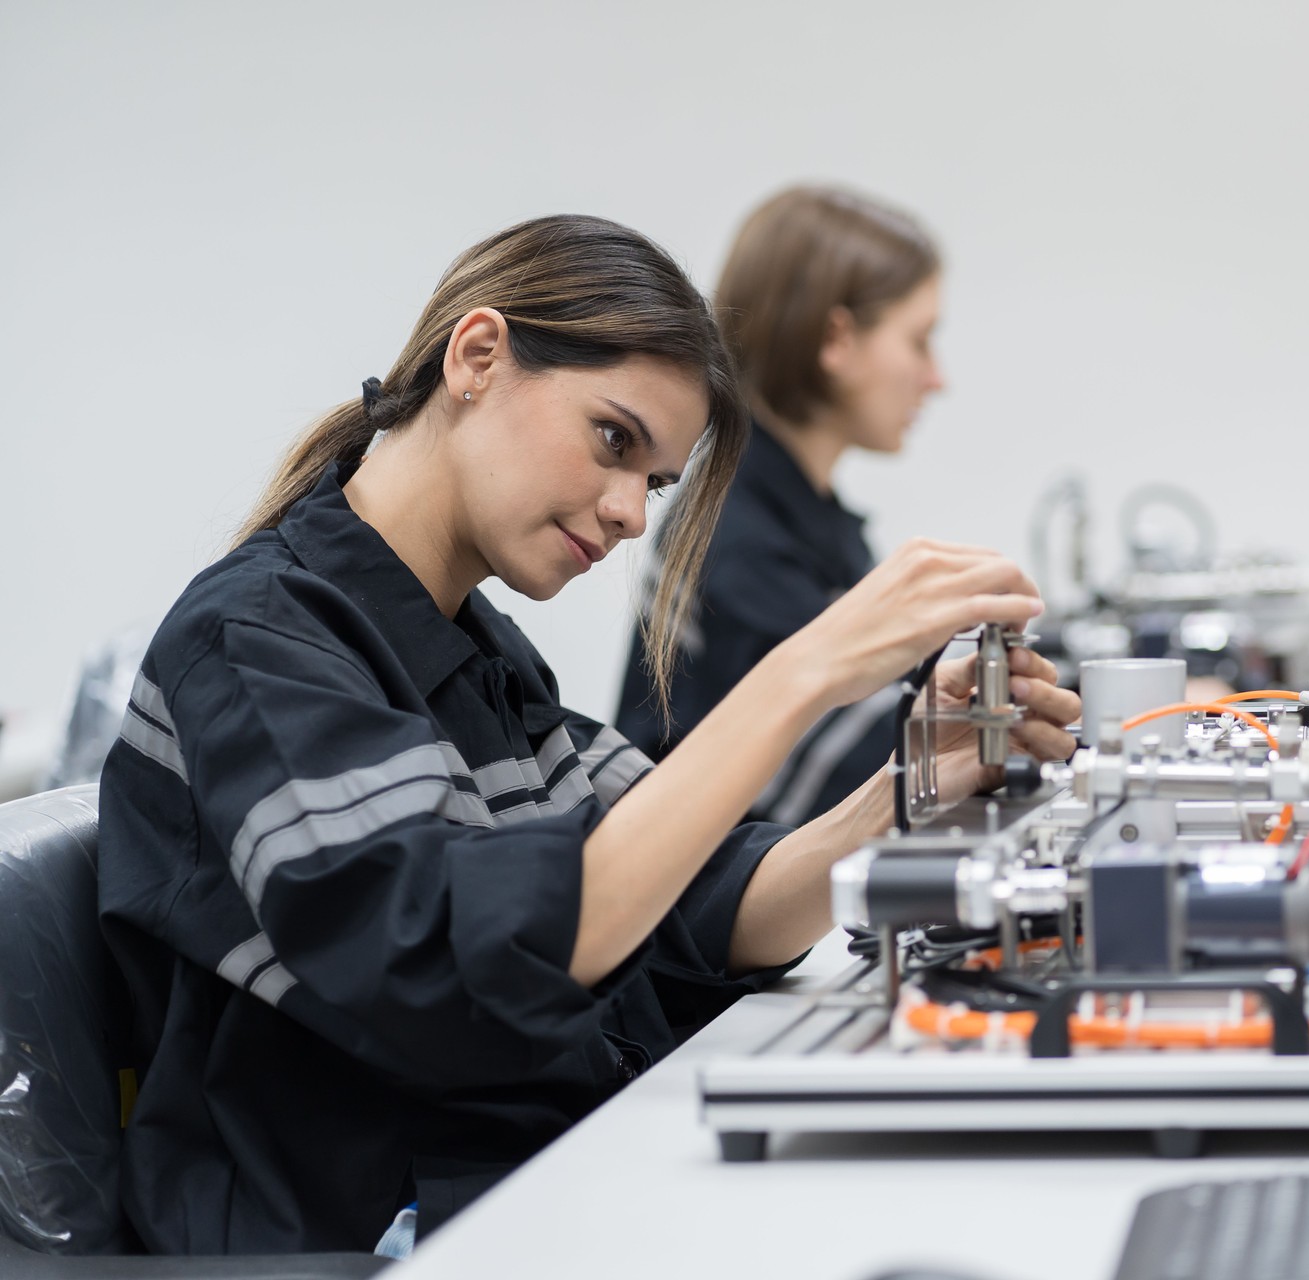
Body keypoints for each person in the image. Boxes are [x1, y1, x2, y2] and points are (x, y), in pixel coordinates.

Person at [95, 214, 1077, 1256]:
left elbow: (700, 901)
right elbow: (455, 965)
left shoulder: (477, 654)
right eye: (614, 440)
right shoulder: (257, 641)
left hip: (533, 1184)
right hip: (384, 1234)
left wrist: (908, 788)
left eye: (653, 481)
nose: (628, 513)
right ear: (477, 356)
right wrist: (802, 672)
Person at [616, 186, 948, 824]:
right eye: (919, 341)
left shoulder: (797, 514)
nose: (937, 378)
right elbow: (874, 753)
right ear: (836, 338)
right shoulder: (743, 543)